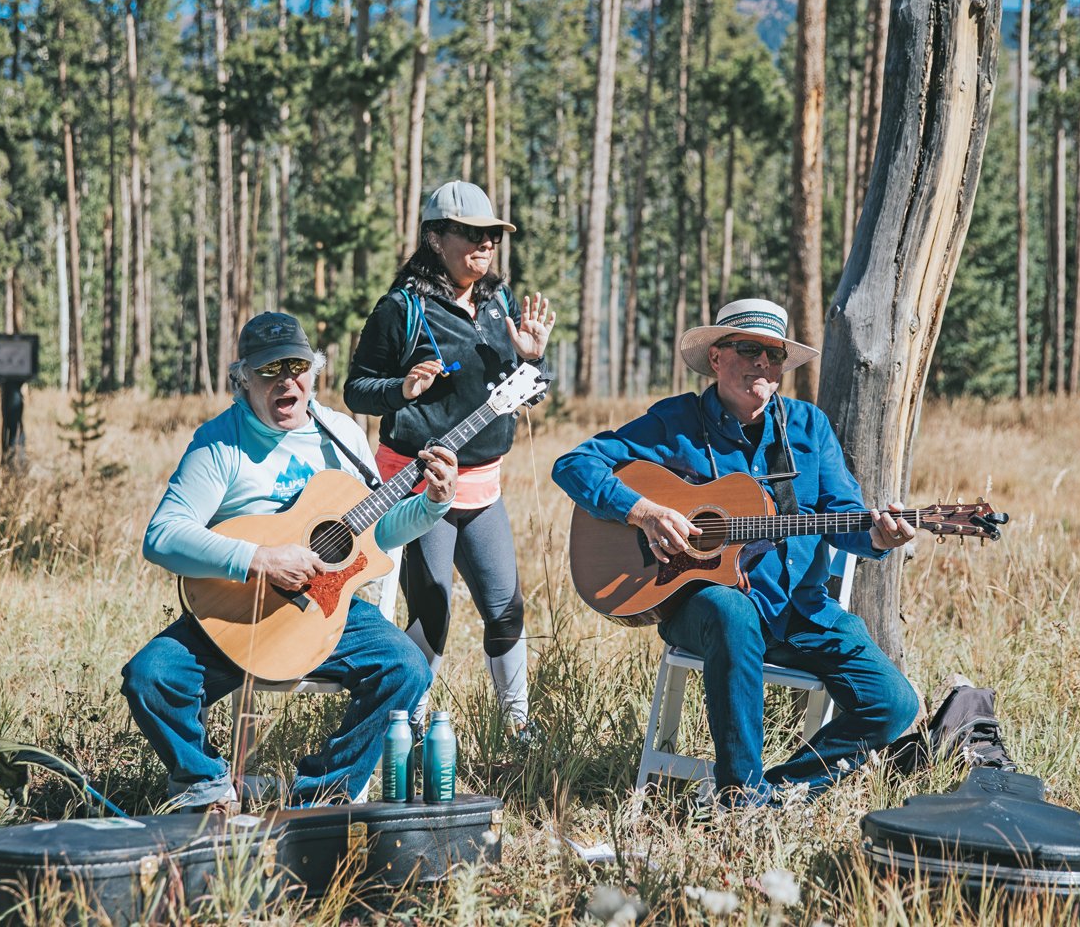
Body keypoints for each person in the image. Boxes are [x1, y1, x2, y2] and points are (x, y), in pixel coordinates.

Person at [551, 298, 920, 806]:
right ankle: (739, 800)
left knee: (895, 705)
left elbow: (845, 514)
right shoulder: (676, 422)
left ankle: (776, 793)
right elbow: (575, 464)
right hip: (702, 609)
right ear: (717, 357)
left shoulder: (808, 428)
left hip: (800, 612)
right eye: (750, 350)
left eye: (775, 355)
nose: (764, 365)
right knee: (732, 610)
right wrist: (643, 512)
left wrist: (879, 537)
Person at [122, 311, 458, 812]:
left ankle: (321, 794)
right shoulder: (219, 443)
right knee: (151, 676)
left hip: (326, 609)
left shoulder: (338, 432)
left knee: (407, 668)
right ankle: (209, 785)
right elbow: (162, 536)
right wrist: (259, 558)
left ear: (313, 372)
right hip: (242, 611)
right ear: (243, 380)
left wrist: (433, 503)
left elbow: (375, 534)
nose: (287, 381)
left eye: (297, 366)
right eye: (269, 370)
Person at [345, 180, 556, 734]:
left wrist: (534, 361)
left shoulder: (500, 302)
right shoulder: (402, 308)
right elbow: (355, 390)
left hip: (485, 486)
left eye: (492, 235)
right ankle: (405, 733)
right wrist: (402, 391)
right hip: (416, 485)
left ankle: (518, 731)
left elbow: (523, 389)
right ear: (436, 239)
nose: (485, 245)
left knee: (506, 610)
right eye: (472, 234)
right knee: (432, 614)